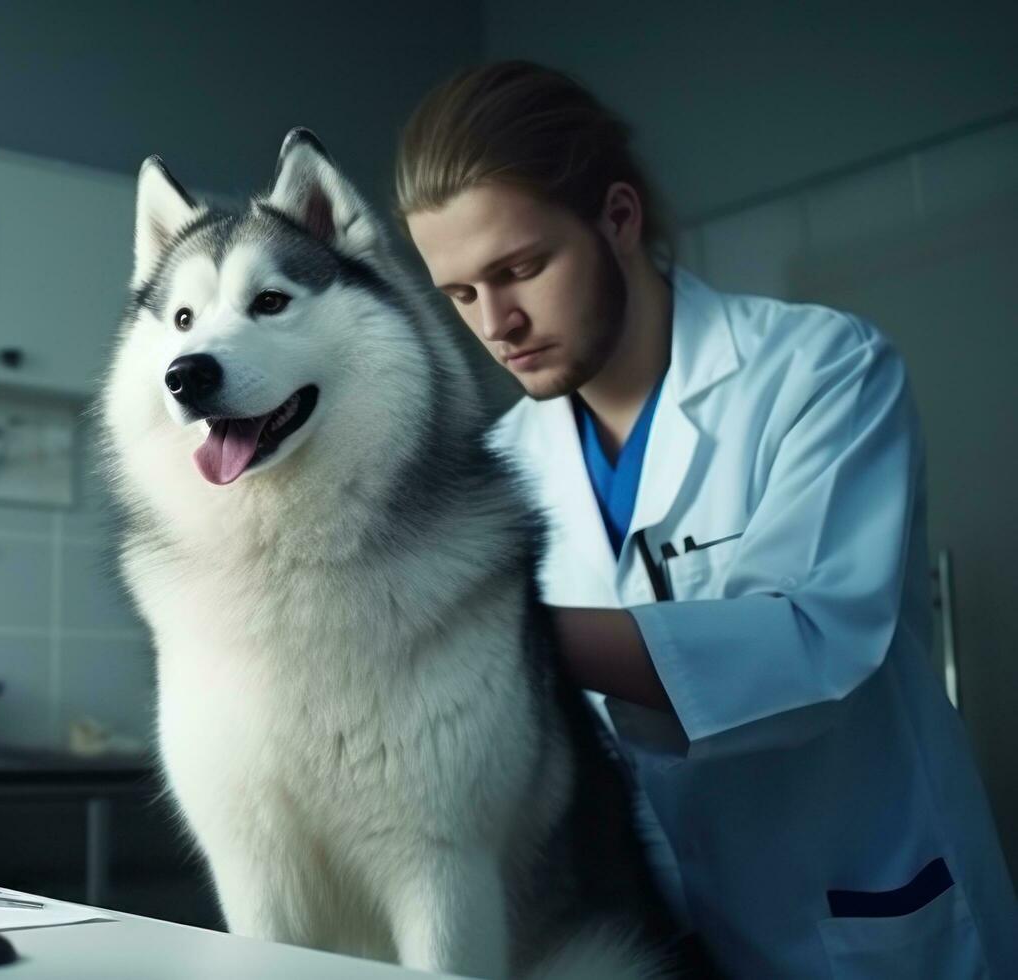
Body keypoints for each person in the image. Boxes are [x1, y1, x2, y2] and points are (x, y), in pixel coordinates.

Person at [394, 60, 1016, 978]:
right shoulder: (509, 463)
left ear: (616, 217)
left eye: (520, 268)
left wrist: (496, 628)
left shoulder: (820, 370)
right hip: (660, 928)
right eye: (459, 294)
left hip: (864, 916)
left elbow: (812, 637)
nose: (497, 323)